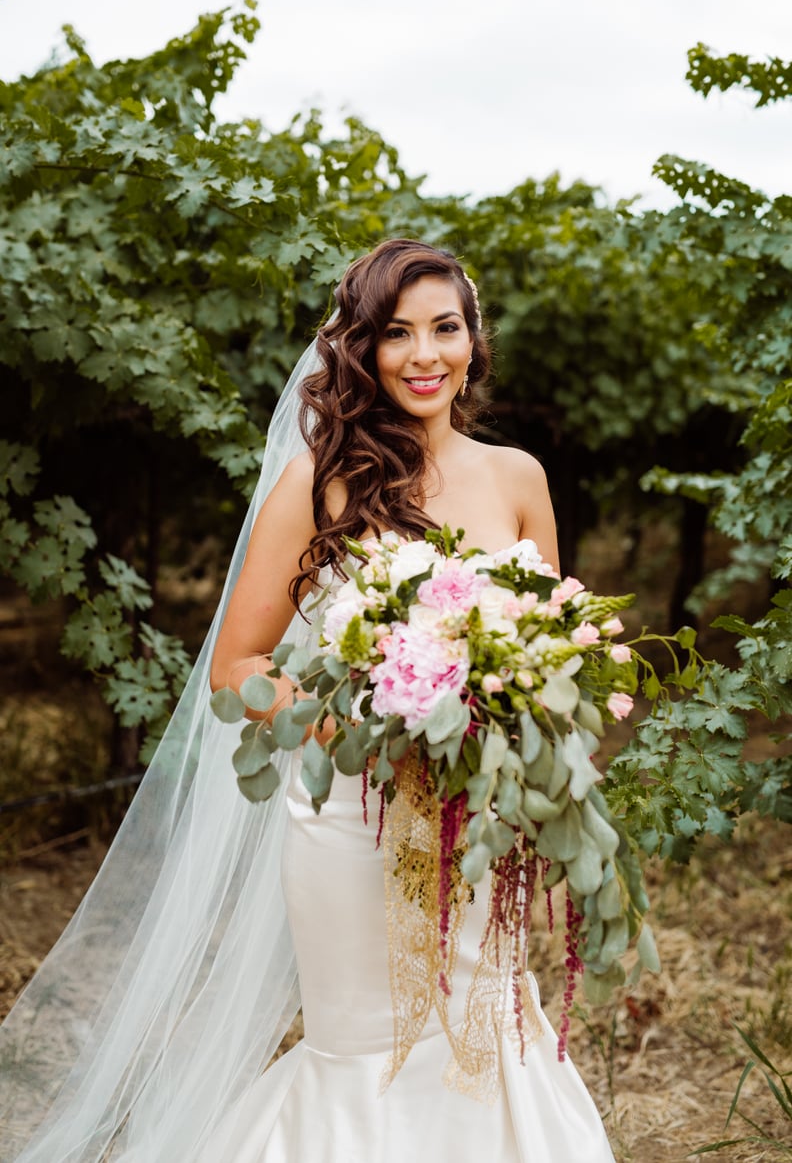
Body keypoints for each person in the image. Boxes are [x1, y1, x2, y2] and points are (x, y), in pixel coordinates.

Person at [0, 239, 615, 1162]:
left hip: (479, 820)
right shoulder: (320, 484)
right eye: (396, 334)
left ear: (474, 341)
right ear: (361, 351)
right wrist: (364, 719)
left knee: (484, 1034)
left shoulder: (518, 477)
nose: (424, 355)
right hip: (351, 818)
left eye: (445, 329)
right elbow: (235, 665)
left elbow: (547, 650)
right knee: (369, 1050)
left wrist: (518, 731)